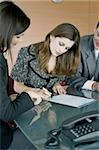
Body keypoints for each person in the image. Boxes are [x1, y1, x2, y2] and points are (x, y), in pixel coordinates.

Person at [0, 1, 51, 150]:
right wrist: (29, 94)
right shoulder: (27, 53)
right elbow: (6, 112)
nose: (20, 40)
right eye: (19, 36)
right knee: (40, 137)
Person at [11, 23, 80, 96]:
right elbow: (16, 86)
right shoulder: (27, 52)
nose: (61, 50)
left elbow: (58, 81)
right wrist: (36, 91)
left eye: (66, 48)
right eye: (61, 44)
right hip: (27, 100)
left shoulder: (64, 58)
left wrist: (56, 85)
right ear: (52, 36)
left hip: (51, 101)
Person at [66, 22, 99, 92]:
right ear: (95, 29)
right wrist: (94, 85)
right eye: (98, 35)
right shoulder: (79, 46)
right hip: (77, 92)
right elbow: (71, 77)